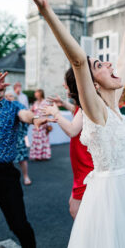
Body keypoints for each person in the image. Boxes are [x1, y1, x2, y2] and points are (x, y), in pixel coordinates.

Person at [9, 0, 125, 248]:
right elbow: (79, 62)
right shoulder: (95, 110)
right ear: (93, 86)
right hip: (107, 197)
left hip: (124, 194)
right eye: (100, 65)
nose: (109, 65)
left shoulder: (114, 104)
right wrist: (46, 10)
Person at [0, 70, 52, 248]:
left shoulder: (13, 106)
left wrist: (36, 119)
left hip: (7, 175)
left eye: (2, 81)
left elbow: (25, 115)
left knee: (19, 224)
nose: (0, 84)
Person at [42, 68, 94, 219]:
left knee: (75, 209)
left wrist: (55, 113)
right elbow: (78, 112)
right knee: (76, 205)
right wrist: (63, 103)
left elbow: (72, 130)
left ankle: (88, 240)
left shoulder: (86, 104)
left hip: (86, 166)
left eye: (66, 82)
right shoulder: (84, 103)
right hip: (81, 166)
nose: (64, 86)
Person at [5, 90, 32, 186]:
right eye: (7, 96)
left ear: (15, 97)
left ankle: (25, 176)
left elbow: (26, 117)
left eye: (11, 96)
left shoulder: (19, 106)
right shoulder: (2, 108)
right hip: (7, 139)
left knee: (22, 159)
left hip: (19, 137)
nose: (8, 98)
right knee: (6, 161)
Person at [29, 89, 52, 161]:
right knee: (36, 139)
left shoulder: (45, 103)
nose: (35, 94)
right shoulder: (35, 103)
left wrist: (49, 124)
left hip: (44, 123)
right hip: (36, 123)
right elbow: (32, 113)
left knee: (44, 139)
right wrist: (34, 119)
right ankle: (37, 156)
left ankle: (44, 155)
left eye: (37, 93)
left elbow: (49, 113)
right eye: (35, 93)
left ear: (40, 94)